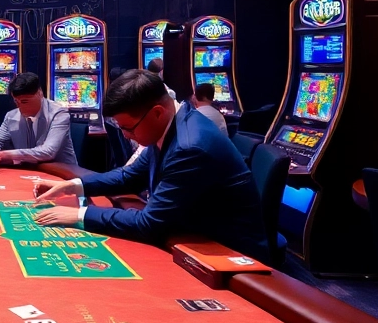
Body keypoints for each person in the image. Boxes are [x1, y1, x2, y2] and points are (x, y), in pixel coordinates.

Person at [31, 69, 272, 262]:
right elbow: (129, 176)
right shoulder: (174, 123)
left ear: (157, 112)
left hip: (229, 257)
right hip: (194, 236)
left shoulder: (189, 147)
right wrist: (71, 186)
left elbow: (149, 224)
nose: (125, 136)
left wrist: (79, 214)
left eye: (128, 128)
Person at [0, 72, 78, 167]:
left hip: (63, 173)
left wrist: (5, 155)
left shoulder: (58, 114)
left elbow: (48, 152)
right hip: (29, 171)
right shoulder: (10, 116)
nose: (20, 107)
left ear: (39, 93)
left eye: (24, 101)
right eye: (16, 101)